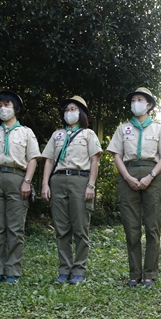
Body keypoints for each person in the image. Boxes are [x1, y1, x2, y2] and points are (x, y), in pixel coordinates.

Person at [107, 87, 161, 287]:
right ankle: (134, 274)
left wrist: (151, 176)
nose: (135, 102)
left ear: (149, 105)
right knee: (131, 227)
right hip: (128, 174)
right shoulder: (123, 128)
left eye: (140, 99)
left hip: (153, 175)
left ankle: (150, 274)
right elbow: (116, 155)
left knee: (153, 227)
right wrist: (126, 176)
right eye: (133, 99)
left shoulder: (159, 128)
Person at [0, 90, 41, 285]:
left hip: (17, 178)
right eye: (0, 105)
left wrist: (27, 182)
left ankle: (13, 271)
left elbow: (33, 159)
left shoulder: (26, 132)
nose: (3, 109)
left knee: (15, 228)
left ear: (17, 109)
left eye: (7, 105)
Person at [41, 96, 102, 285]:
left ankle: (79, 270)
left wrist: (91, 185)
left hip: (80, 180)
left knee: (80, 228)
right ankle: (64, 269)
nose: (69, 112)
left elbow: (94, 161)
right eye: (66, 109)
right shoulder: (57, 135)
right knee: (61, 228)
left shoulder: (88, 134)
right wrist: (45, 184)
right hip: (58, 180)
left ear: (81, 112)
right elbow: (49, 160)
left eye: (73, 109)